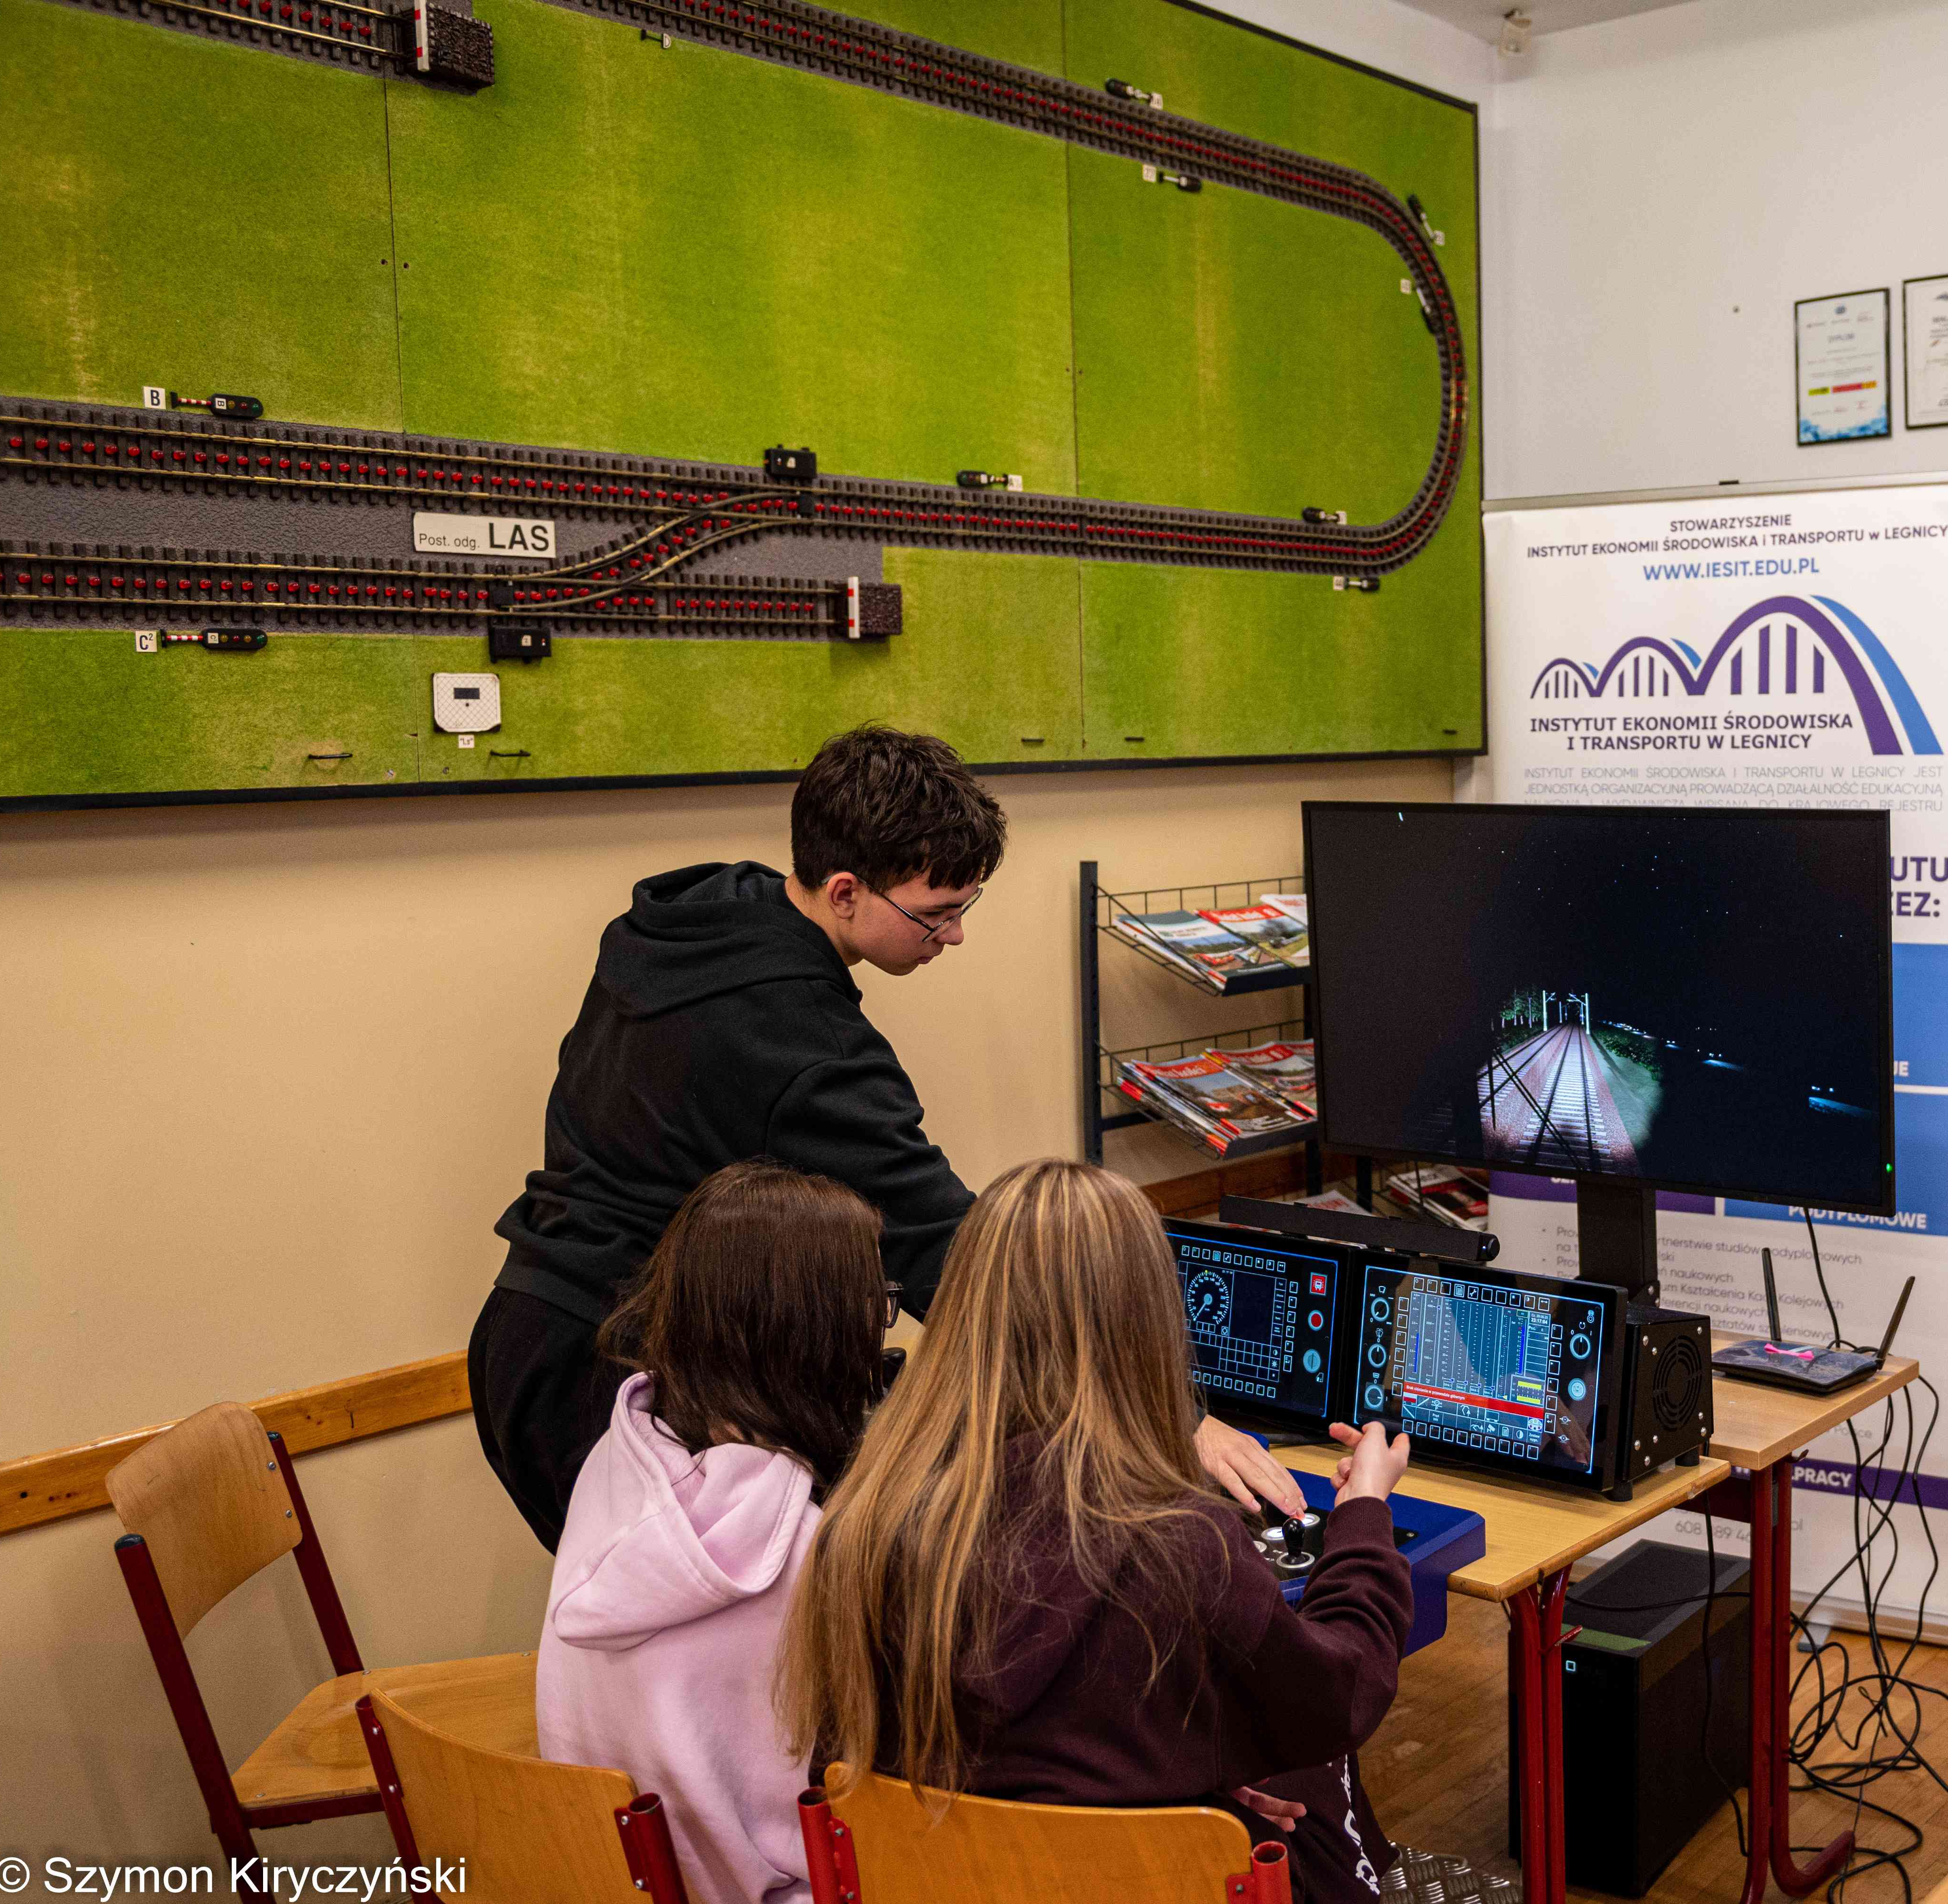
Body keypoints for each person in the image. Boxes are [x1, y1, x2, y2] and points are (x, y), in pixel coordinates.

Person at [470, 724, 1302, 1548]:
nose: (955, 936)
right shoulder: (806, 1048)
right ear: (844, 892)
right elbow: (951, 1253)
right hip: (606, 1379)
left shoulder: (701, 920)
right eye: (935, 915)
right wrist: (1169, 1416)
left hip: (527, 1329)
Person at [782, 1160, 1412, 1904]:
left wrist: (1187, 1774)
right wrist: (1364, 1513)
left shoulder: (863, 1525)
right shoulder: (1185, 1545)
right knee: (1315, 1783)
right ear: (1146, 1323)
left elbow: (870, 1778)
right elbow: (1339, 1699)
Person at [536, 1160, 890, 1904]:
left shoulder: (614, 1465)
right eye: (874, 1307)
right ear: (818, 1337)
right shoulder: (807, 1554)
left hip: (610, 1880)